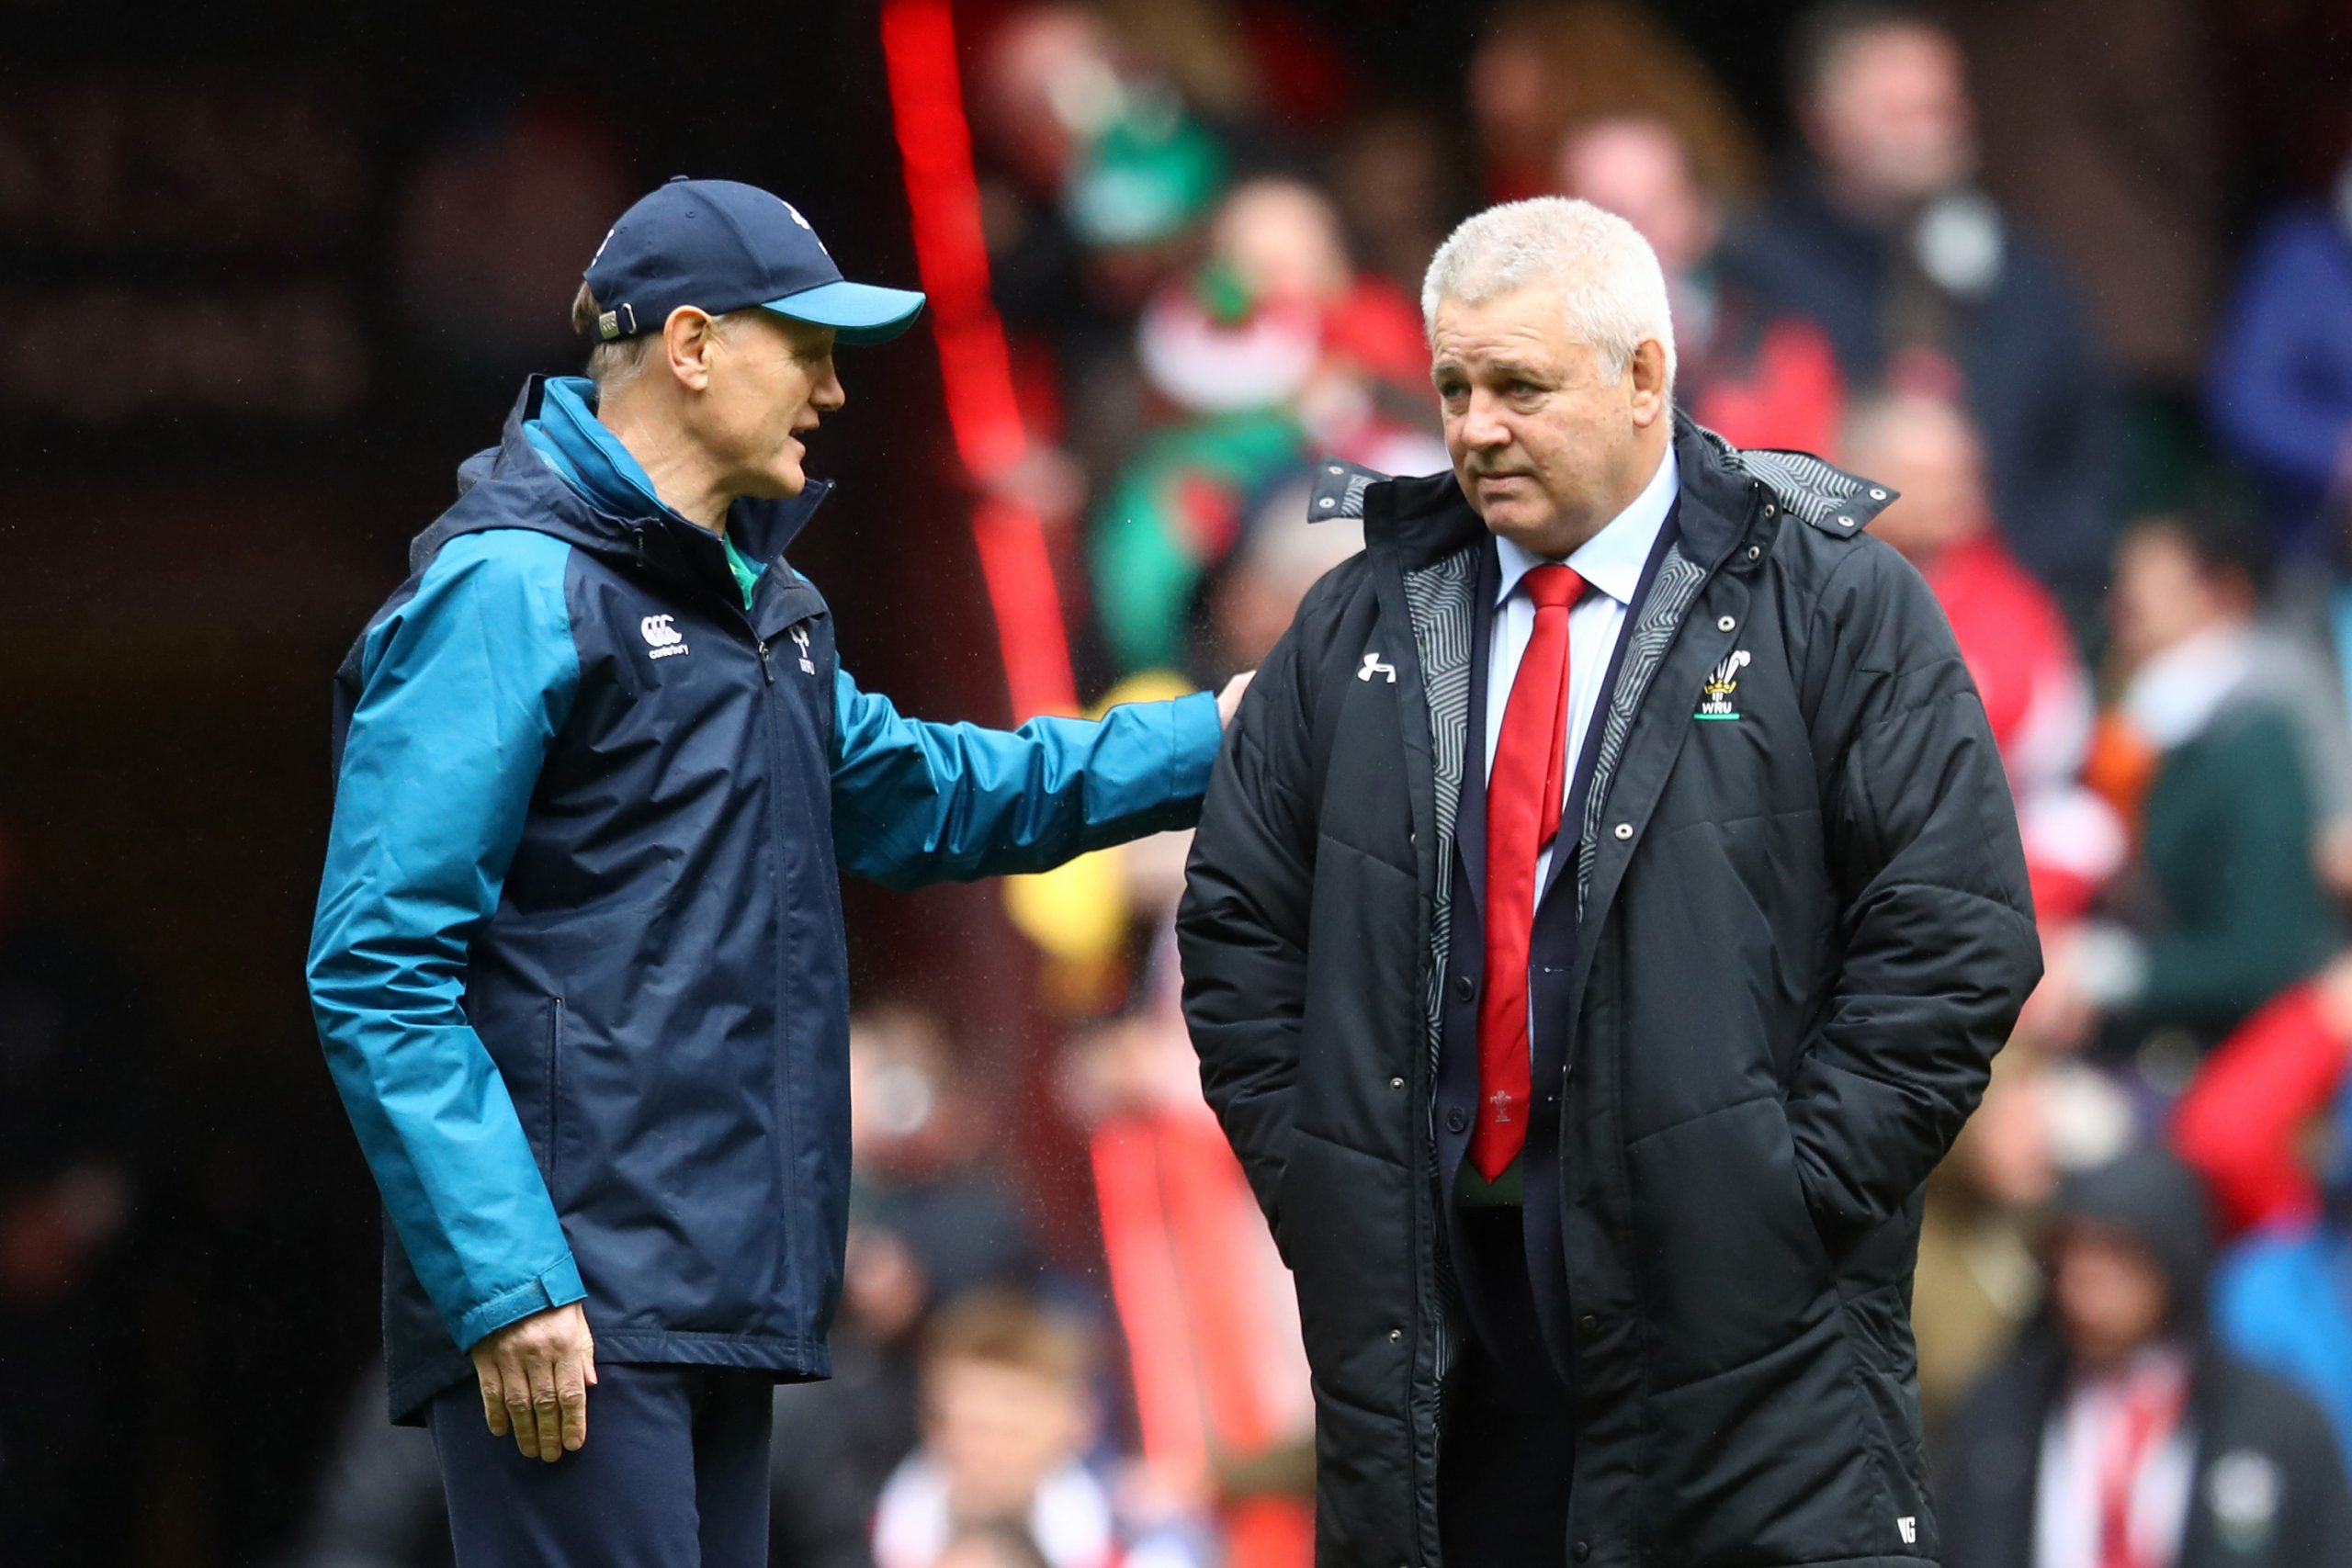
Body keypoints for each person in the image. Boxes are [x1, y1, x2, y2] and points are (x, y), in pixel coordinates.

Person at [308, 176, 1247, 1565]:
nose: (834, 388)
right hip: (567, 1314)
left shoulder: (766, 610)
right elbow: (377, 966)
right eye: (805, 345)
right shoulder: (508, 589)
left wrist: (1228, 732)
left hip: (721, 1298)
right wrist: (505, 1281)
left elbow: (948, 795)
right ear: (689, 346)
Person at [1177, 196, 2040, 1567]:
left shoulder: (1832, 599)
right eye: (1454, 385)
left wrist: (1784, 1190)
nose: (1475, 426)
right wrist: (1329, 1180)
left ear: (1647, 375)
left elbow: (1957, 925)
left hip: (1750, 1346)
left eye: (1520, 385)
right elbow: (1236, 923)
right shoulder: (1356, 615)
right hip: (1439, 1343)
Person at [1736, 2, 2118, 607]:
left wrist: (2024, 594)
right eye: (1896, 109)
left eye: (1939, 107)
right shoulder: (1755, 276)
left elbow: (2086, 466)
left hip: (2010, 637)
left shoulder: (2027, 280)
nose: (1927, 131)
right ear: (1820, 121)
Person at [1938, 1143, 2352, 1568]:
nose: (2084, 1290)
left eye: (2117, 1257)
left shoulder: (2275, 1423)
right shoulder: (2003, 1411)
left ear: (2172, 1260)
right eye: (2071, 1257)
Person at [2029, 513, 2335, 1055]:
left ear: (2219, 593)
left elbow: (2264, 950)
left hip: (2234, 1045)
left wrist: (2109, 968)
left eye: (2146, 588)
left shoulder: (2255, 733)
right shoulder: (2133, 722)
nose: (2122, 606)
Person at [869, 1290, 1206, 1568]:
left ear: (1077, 1423)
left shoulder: (1142, 1545)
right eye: (965, 1427)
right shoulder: (867, 1537)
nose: (983, 1452)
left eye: (1009, 1431)